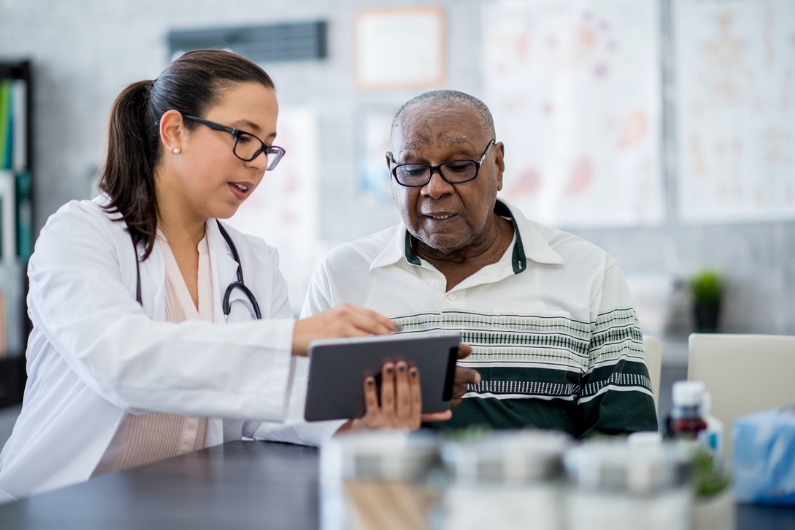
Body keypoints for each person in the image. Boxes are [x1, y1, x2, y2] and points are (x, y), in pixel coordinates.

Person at [0, 52, 469, 502]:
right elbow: (122, 364)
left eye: (267, 146)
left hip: (188, 502)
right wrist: (290, 337)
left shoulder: (253, 260)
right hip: (61, 503)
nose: (260, 162)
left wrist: (358, 419)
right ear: (175, 130)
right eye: (243, 137)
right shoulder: (80, 234)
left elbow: (265, 407)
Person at [264, 90, 657, 444]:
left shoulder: (587, 271)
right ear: (390, 171)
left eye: (459, 165)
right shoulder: (342, 274)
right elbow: (291, 416)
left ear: (498, 165)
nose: (435, 187)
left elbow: (624, 436)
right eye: (414, 169)